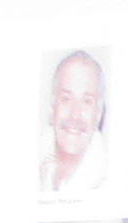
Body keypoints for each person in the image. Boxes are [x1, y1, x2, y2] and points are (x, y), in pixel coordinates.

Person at [41, 50, 109, 194]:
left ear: (98, 114)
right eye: (66, 99)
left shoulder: (110, 181)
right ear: (52, 107)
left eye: (87, 101)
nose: (75, 115)